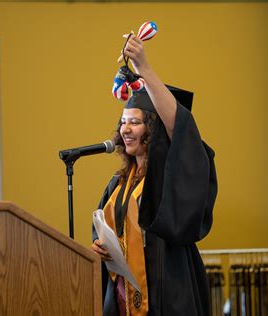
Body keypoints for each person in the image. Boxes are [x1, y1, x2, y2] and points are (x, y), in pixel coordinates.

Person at [92, 34, 218, 315]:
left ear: (154, 130)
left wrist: (144, 69)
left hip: (168, 290)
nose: (125, 129)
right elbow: (108, 229)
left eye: (135, 122)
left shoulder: (166, 181)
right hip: (123, 297)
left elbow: (182, 132)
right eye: (123, 123)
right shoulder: (118, 183)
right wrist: (99, 246)